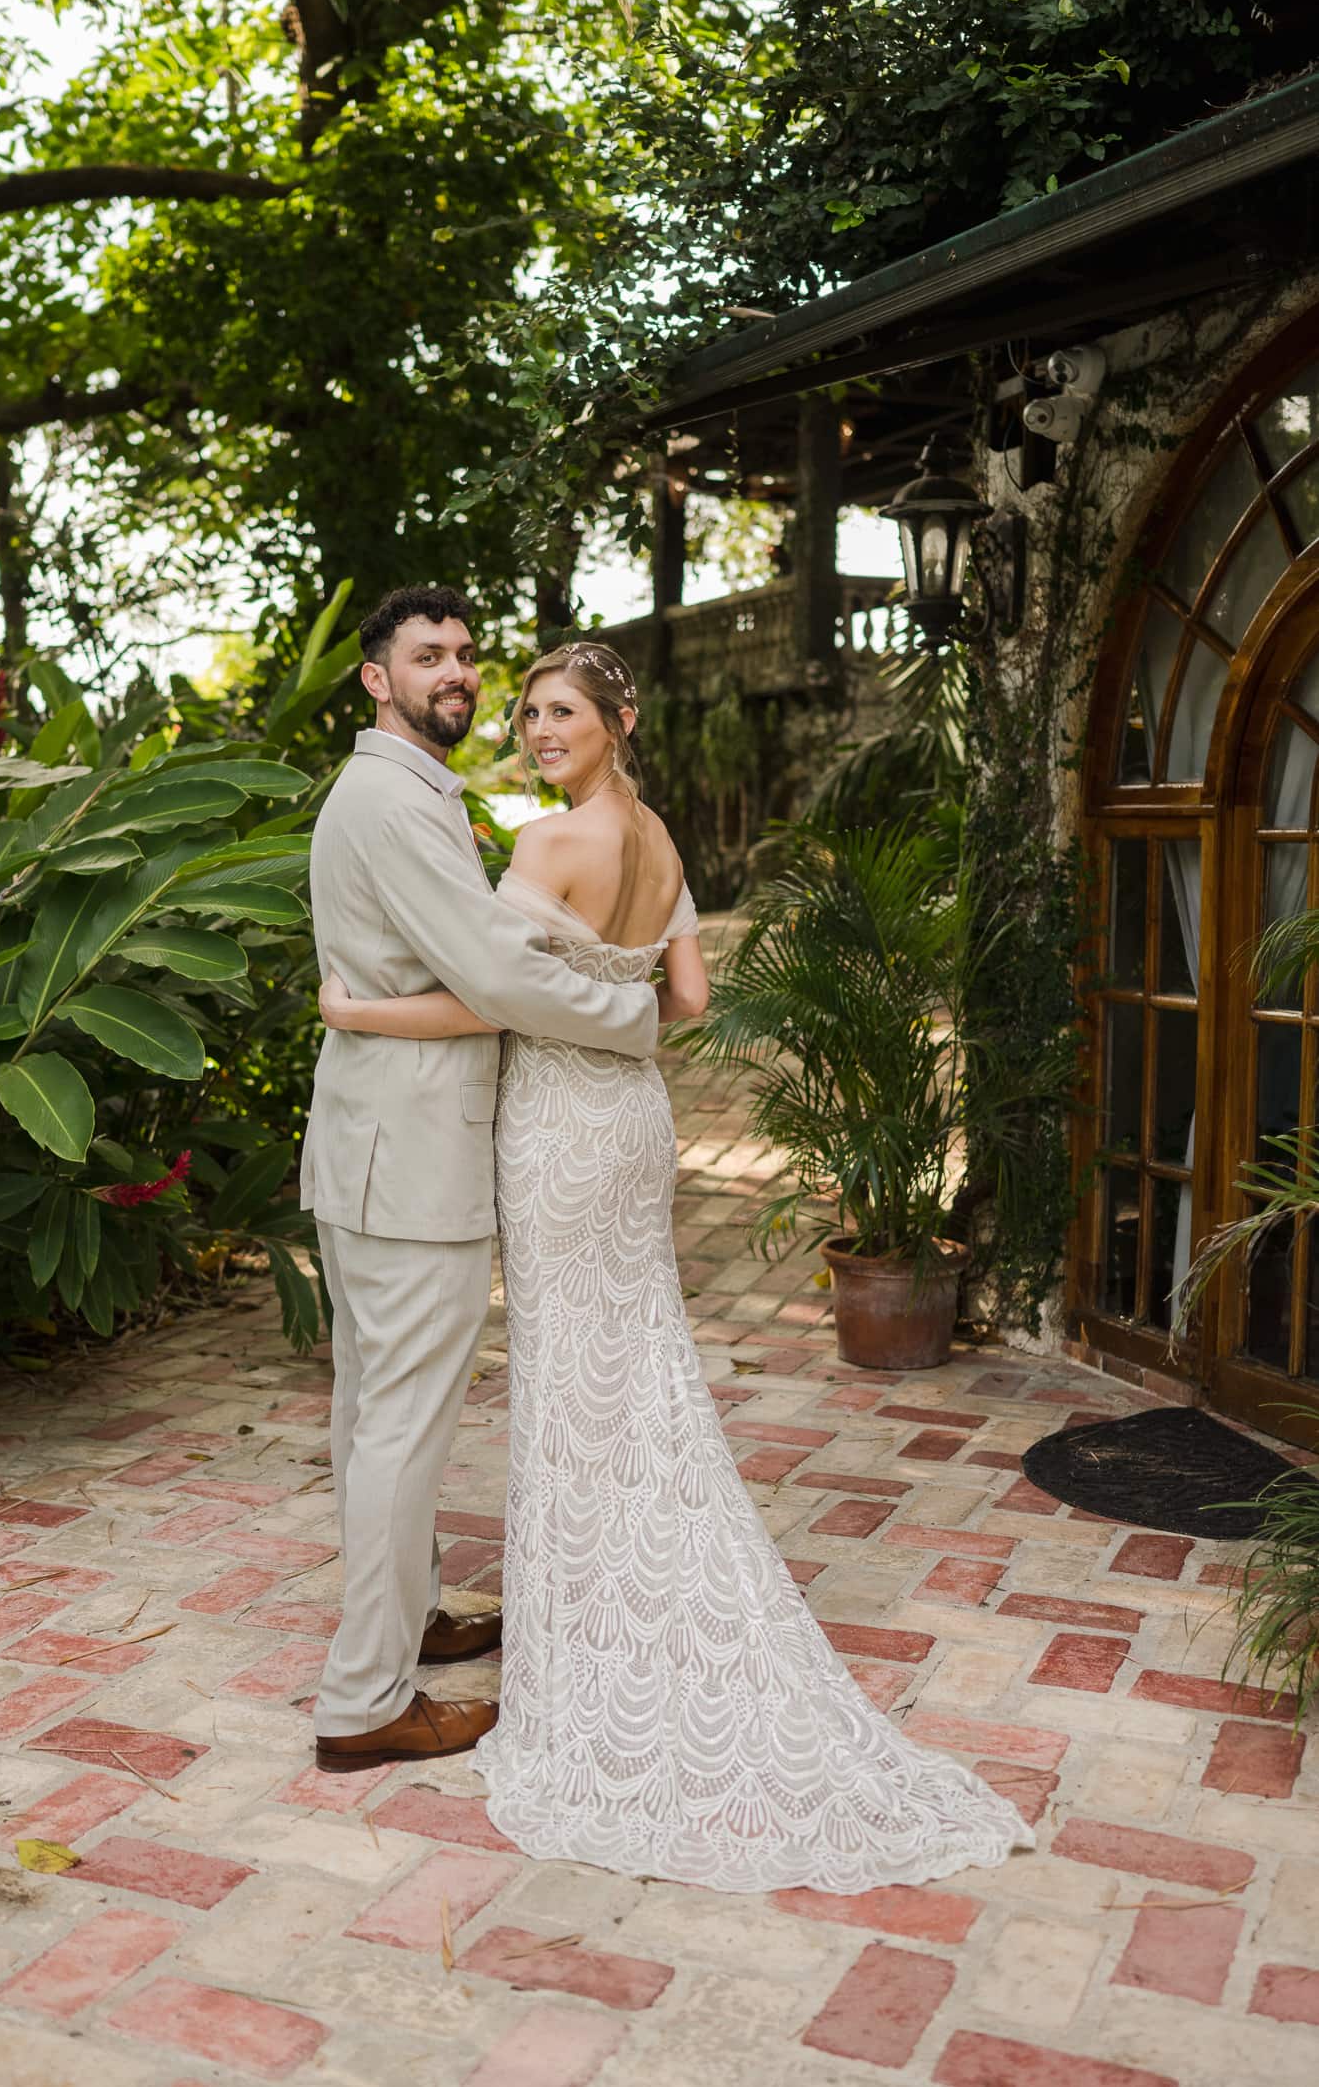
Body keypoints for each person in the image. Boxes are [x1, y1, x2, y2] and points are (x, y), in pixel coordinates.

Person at [317, 636, 1035, 1892]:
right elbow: (690, 998)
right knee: (635, 1354)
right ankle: (631, 1571)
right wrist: (622, 1001)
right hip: (634, 1123)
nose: (538, 734)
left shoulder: (545, 846)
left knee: (567, 1367)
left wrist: (359, 1011)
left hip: (553, 1128)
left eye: (558, 714)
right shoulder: (666, 845)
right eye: (529, 713)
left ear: (617, 719)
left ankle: (591, 1609)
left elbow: (493, 993)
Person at [301, 588, 661, 1775]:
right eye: (426, 656)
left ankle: (406, 1618)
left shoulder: (406, 791)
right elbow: (500, 974)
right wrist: (626, 1014)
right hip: (412, 1164)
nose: (454, 671)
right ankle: (365, 1703)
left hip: (373, 1149)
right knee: (401, 1429)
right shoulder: (396, 805)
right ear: (375, 680)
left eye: (463, 654)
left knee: (373, 1416)